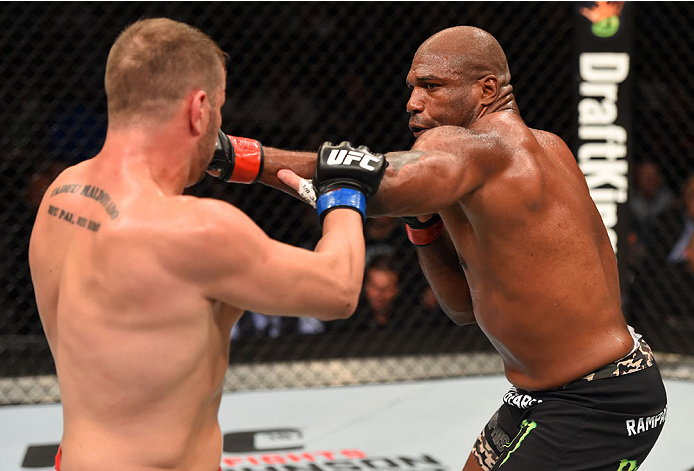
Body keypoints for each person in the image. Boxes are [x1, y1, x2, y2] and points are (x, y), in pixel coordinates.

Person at [213, 26, 667, 471]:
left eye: (432, 86)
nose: (413, 103)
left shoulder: (475, 149)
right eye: (412, 87)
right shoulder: (546, 148)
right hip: (585, 389)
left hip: (593, 402)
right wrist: (422, 224)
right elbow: (461, 308)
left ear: (486, 89)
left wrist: (234, 157)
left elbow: (377, 180)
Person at [28, 18, 385, 471]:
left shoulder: (61, 193)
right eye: (217, 108)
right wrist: (343, 195)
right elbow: (338, 289)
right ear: (198, 110)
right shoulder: (195, 230)